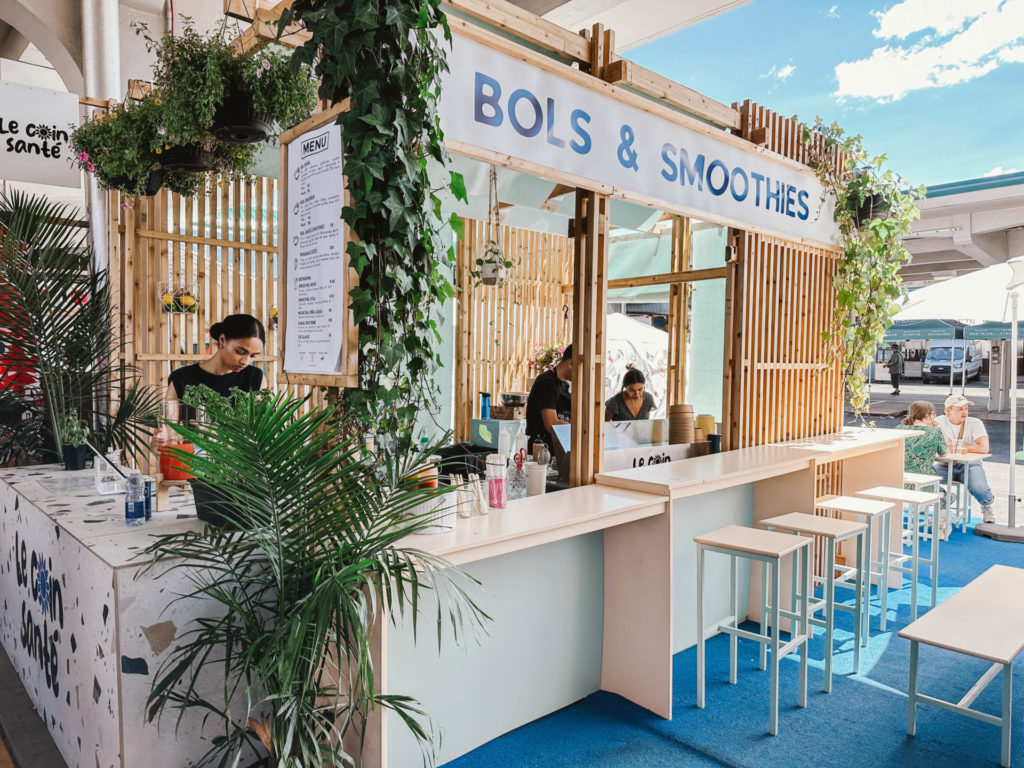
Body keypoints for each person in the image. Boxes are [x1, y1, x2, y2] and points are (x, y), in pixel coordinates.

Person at [153, 313, 267, 447]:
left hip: (241, 465)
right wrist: (159, 443)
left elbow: (258, 438)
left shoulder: (255, 378)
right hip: (196, 462)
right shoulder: (182, 379)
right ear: (222, 340)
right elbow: (167, 441)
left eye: (253, 356)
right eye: (240, 352)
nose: (245, 361)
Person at [934, 394, 995, 524]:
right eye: (959, 409)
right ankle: (946, 499)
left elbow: (984, 448)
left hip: (970, 464)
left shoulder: (975, 423)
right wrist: (968, 446)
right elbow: (934, 444)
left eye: (966, 408)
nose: (964, 412)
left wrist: (958, 445)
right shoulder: (939, 421)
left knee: (979, 488)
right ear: (948, 411)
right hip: (944, 464)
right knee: (923, 477)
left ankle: (986, 505)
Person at [897, 401, 949, 536]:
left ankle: (921, 507)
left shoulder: (899, 428)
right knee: (947, 497)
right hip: (925, 484)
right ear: (927, 416)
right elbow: (943, 452)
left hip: (899, 482)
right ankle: (939, 528)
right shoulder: (934, 431)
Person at [525, 343, 573, 452]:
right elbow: (551, 423)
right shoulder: (547, 383)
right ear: (571, 364)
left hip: (556, 449)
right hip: (541, 450)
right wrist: (577, 429)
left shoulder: (564, 385)